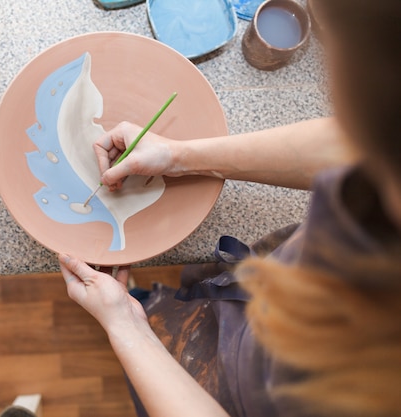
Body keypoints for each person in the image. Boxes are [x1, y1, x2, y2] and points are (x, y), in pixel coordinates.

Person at [58, 0, 401, 416]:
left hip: (239, 391)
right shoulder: (382, 131)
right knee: (179, 305)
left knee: (159, 334)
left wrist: (127, 329)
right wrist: (177, 156)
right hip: (266, 296)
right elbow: (358, 143)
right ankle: (148, 301)